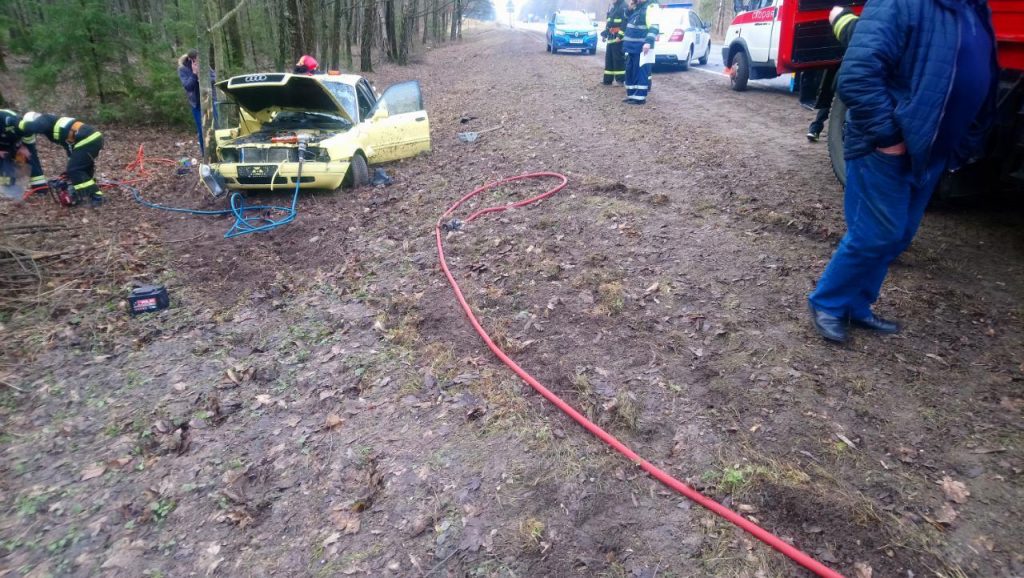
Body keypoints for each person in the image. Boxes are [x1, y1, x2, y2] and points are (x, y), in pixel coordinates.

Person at [807, 0, 999, 343]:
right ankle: (828, 303)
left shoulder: (975, 10)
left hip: (931, 151)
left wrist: (965, 140)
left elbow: (983, 75)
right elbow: (857, 75)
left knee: (898, 235)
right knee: (876, 233)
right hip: (888, 148)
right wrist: (889, 138)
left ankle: (857, 306)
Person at [19, 112, 105, 206]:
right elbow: (68, 145)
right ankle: (86, 192)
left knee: (74, 170)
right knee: (81, 169)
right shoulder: (51, 125)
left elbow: (31, 127)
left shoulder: (44, 119)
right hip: (90, 139)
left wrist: (17, 124)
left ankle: (97, 197)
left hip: (87, 140)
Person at [805, 7, 858, 141]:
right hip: (841, 56)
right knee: (832, 95)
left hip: (839, 56)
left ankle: (816, 128)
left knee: (830, 95)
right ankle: (817, 128)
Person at [0, 109, 46, 197]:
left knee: (29, 158)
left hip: (15, 143)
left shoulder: (12, 120)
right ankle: (7, 187)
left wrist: (23, 146)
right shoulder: (3, 120)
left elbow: (29, 136)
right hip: (2, 146)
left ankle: (40, 187)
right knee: (4, 168)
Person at [621, 0, 660, 105]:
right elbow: (626, 19)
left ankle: (640, 98)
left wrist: (648, 43)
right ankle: (632, 95)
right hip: (631, 47)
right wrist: (629, 9)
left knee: (641, 72)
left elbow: (654, 27)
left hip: (642, 47)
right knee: (630, 71)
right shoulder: (637, 6)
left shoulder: (651, 7)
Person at [178, 50, 204, 156]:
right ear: (191, 60)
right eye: (195, 60)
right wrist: (194, 74)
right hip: (196, 104)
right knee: (201, 129)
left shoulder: (204, 65)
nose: (197, 62)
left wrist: (202, 76)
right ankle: (205, 153)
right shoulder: (183, 69)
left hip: (210, 101)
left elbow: (213, 78)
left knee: (216, 127)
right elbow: (188, 86)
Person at [601, 0, 628, 86]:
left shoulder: (623, 6)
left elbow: (624, 23)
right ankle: (607, 80)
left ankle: (620, 80)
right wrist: (605, 34)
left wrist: (620, 36)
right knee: (609, 60)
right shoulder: (613, 8)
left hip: (618, 39)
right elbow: (609, 23)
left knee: (618, 60)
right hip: (611, 38)